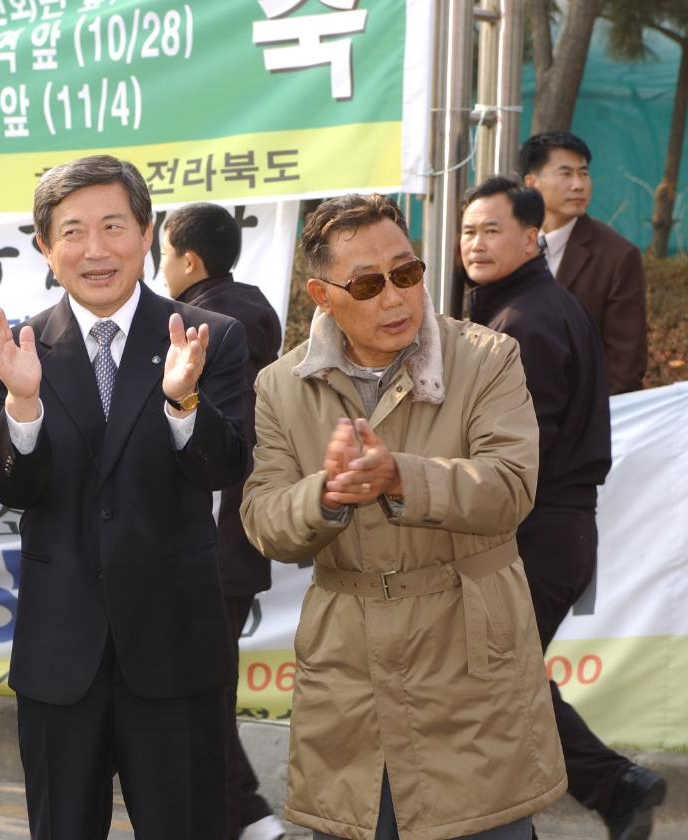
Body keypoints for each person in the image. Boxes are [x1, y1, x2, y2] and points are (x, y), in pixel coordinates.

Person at [240, 193, 565, 840]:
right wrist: (327, 494)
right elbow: (264, 518)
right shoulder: (281, 385)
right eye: (366, 283)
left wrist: (400, 477)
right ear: (321, 295)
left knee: (484, 824)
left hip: (466, 655)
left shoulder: (487, 358)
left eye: (406, 273)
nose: (394, 297)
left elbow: (510, 488)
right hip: (348, 667)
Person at [0, 155, 250, 840]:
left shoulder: (206, 337)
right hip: (59, 652)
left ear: (147, 232)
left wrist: (183, 399)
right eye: (71, 231)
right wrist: (23, 401)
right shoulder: (18, 348)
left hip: (175, 646)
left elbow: (225, 465)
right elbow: (11, 486)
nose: (95, 250)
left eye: (113, 226)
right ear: (44, 247)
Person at [461, 177, 667, 840]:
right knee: (502, 683)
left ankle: (612, 787)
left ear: (531, 238)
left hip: (532, 532)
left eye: (492, 230)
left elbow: (523, 454)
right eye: (468, 230)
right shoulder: (524, 310)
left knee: (494, 681)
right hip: (549, 530)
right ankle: (611, 790)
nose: (476, 243)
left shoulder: (526, 322)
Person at [159, 202, 285, 840]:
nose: (159, 270)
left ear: (188, 260)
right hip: (237, 543)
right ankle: (242, 815)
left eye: (163, 254)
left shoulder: (193, 330)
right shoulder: (260, 318)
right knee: (198, 689)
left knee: (192, 695)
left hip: (205, 542)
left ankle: (249, 816)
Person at [520, 131, 648, 394]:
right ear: (532, 184)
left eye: (584, 173)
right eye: (566, 174)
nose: (578, 185)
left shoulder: (618, 256)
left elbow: (625, 366)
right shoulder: (513, 245)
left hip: (578, 420)